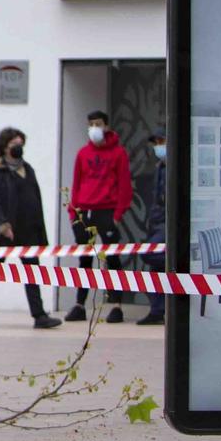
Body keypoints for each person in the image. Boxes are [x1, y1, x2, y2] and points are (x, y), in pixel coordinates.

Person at [0, 127, 63, 329]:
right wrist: (2, 226)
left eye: (20, 144)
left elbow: (34, 199)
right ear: (4, 147)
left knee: (32, 271)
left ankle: (39, 315)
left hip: (27, 230)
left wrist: (38, 230)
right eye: (14, 145)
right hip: (5, 231)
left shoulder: (28, 168)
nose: (18, 148)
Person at [66, 108, 134, 323]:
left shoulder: (118, 153)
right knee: (84, 258)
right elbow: (76, 183)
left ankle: (116, 305)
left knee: (112, 257)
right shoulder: (83, 154)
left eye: (99, 124)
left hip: (107, 210)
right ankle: (79, 304)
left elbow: (124, 185)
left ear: (107, 126)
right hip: (84, 211)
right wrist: (73, 213)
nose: (95, 128)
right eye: (91, 124)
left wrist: (117, 215)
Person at [139, 129, 168, 326]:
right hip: (157, 222)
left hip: (168, 224)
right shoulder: (160, 167)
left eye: (161, 141)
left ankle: (176, 262)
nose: (158, 145)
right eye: (156, 142)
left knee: (148, 254)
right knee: (154, 270)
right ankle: (157, 310)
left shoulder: (176, 166)